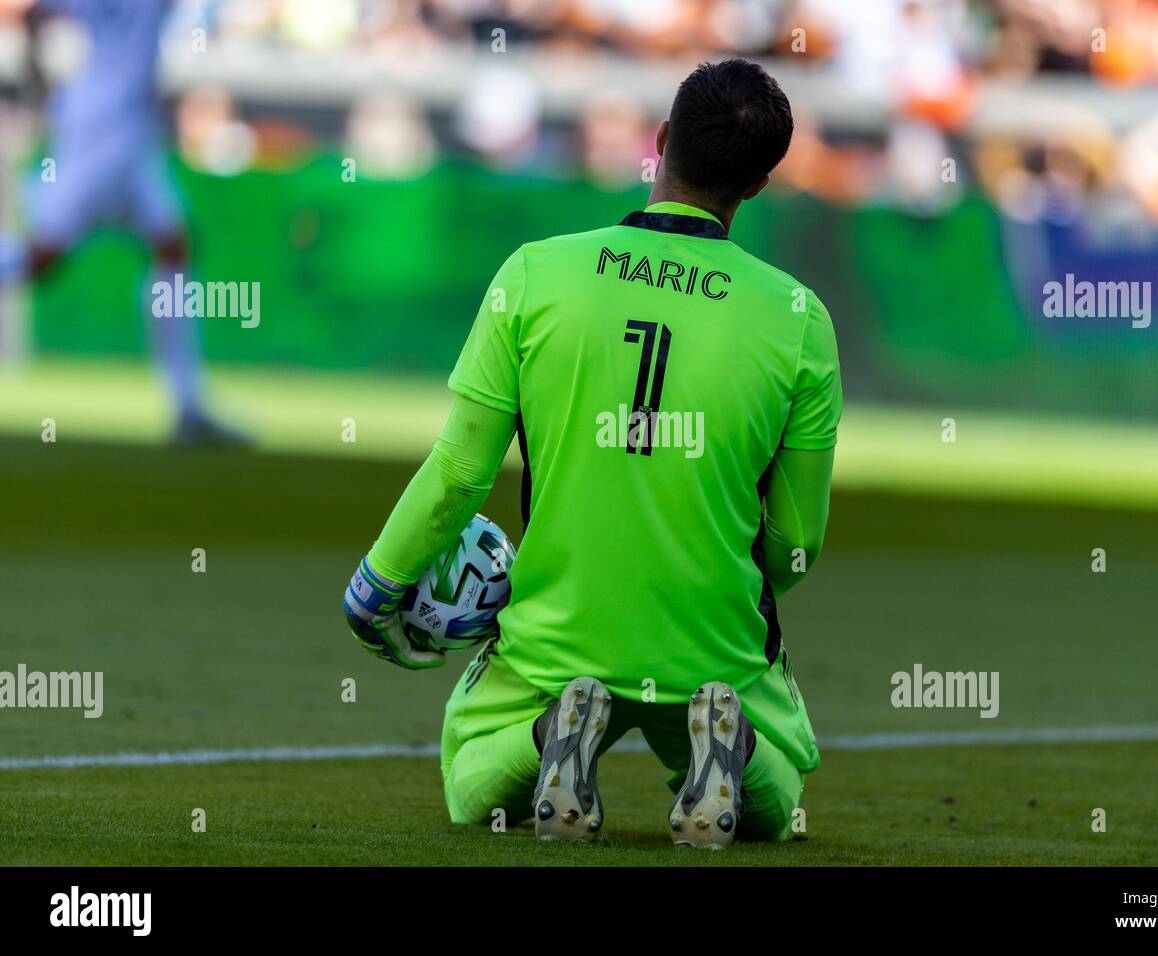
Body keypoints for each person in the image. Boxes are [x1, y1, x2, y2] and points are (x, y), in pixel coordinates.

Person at [344, 59, 841, 849]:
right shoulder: (799, 319)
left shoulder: (537, 273)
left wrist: (380, 583)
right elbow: (795, 549)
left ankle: (548, 740)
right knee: (778, 799)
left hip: (557, 635)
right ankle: (736, 744)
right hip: (709, 637)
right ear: (758, 184)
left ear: (662, 140)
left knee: (471, 779)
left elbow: (460, 473)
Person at [0, 0, 240, 443]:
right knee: (40, 260)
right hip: (106, 133)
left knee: (173, 247)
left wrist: (42, 89)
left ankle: (189, 406)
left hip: (116, 127)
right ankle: (188, 407)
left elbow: (30, 14)